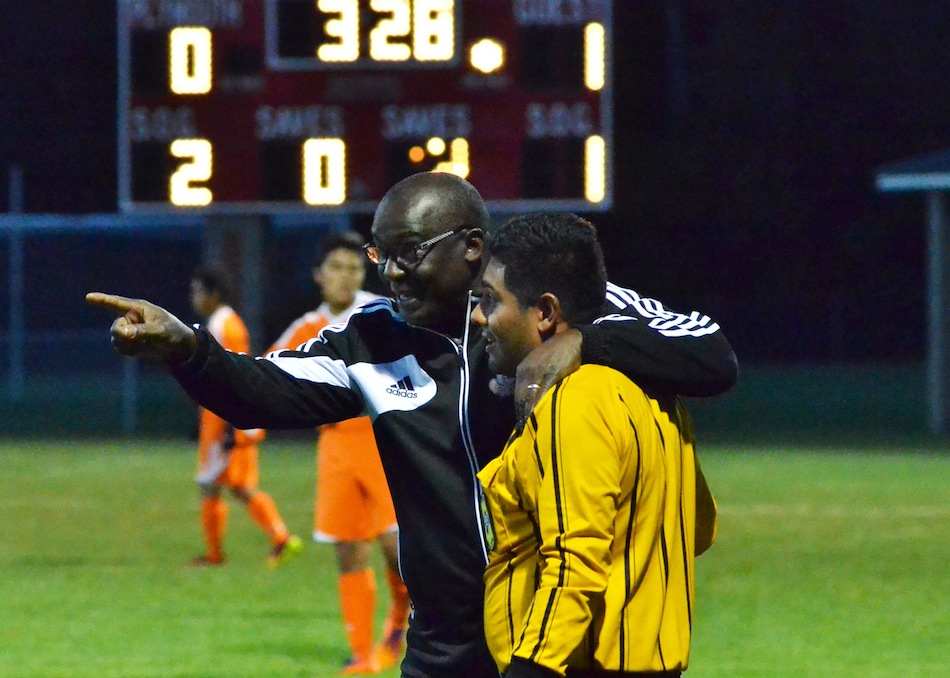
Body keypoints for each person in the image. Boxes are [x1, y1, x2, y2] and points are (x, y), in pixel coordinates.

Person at [87, 171, 737, 678]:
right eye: (382, 255)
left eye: (410, 253)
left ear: (472, 247)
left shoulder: (565, 303)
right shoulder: (372, 342)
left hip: (568, 628)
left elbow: (711, 354)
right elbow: (263, 392)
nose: (391, 273)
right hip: (447, 643)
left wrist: (587, 345)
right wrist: (188, 349)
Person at [472, 212, 718, 678]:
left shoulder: (574, 400)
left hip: (572, 665)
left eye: (490, 299)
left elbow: (573, 563)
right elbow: (697, 526)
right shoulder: (659, 394)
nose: (478, 314)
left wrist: (532, 667)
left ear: (545, 312)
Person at [267, 231, 410, 674]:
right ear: (319, 276)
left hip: (383, 441)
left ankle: (401, 625)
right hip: (336, 447)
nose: (346, 276)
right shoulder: (306, 326)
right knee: (348, 550)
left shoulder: (381, 314)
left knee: (397, 548)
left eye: (353, 267)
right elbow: (271, 373)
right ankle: (361, 653)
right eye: (336, 268)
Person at [188, 266, 302, 568]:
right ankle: (279, 539)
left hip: (226, 422)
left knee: (215, 484)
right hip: (228, 419)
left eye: (197, 292)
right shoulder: (224, 322)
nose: (194, 299)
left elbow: (228, 375)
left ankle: (220, 554)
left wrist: (228, 424)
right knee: (235, 486)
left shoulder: (223, 325)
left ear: (212, 295)